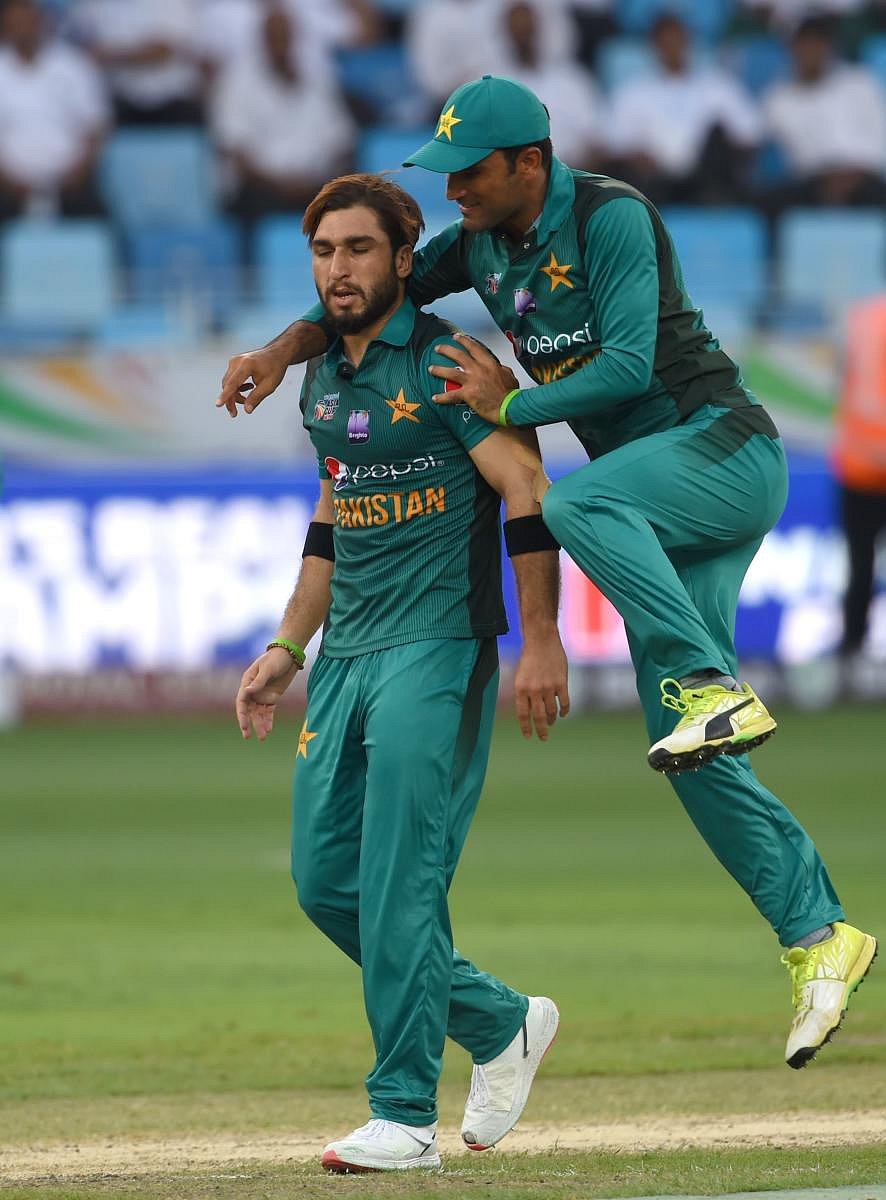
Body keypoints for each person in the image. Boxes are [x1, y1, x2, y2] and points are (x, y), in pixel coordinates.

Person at [218, 77, 878, 1073]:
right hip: (655, 503)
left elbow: (625, 366)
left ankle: (715, 687)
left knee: (575, 504)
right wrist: (278, 350)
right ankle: (817, 934)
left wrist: (511, 402)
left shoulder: (610, 216)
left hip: (720, 451)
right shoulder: (481, 243)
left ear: (529, 162)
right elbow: (377, 290)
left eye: (470, 174)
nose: (453, 196)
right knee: (685, 746)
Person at [233, 173, 566, 1172]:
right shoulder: (324, 381)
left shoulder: (454, 365)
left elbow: (526, 486)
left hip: (438, 647)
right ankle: (501, 1021)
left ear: (403, 261)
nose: (340, 268)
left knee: (397, 882)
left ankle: (403, 1116)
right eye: (325, 253)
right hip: (346, 658)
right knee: (324, 880)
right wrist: (286, 647)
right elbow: (335, 515)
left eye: (359, 250)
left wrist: (541, 642)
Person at [604, 12, 762, 206]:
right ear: (654, 46)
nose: (673, 48)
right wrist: (635, 156)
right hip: (656, 180)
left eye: (678, 41)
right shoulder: (632, 93)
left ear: (688, 43)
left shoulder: (718, 85)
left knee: (718, 133)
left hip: (707, 177)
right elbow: (611, 143)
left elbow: (751, 133)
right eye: (666, 42)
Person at [0, 0, 109, 221]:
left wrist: (76, 174)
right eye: (15, 23)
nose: (22, 28)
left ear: (42, 22)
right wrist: (6, 180)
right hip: (7, 184)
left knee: (98, 224)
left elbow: (96, 128)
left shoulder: (74, 65)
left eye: (27, 21)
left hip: (72, 181)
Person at [762, 14, 886, 209]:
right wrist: (828, 176)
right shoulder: (778, 98)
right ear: (793, 49)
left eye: (817, 45)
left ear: (829, 48)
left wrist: (855, 173)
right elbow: (783, 155)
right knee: (769, 202)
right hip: (813, 181)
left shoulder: (861, 83)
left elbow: (880, 140)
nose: (811, 52)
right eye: (805, 46)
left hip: (864, 176)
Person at [833, 293, 886, 667]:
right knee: (860, 562)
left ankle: (852, 650)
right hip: (863, 463)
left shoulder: (859, 318)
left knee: (859, 563)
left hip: (858, 462)